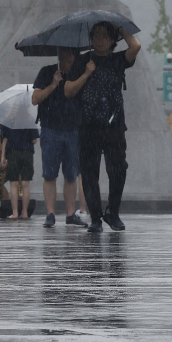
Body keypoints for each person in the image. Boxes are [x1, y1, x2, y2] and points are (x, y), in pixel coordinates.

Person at [66, 22, 140, 233]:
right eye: (96, 35)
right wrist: (86, 74)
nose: (100, 39)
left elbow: (136, 47)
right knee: (89, 173)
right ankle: (96, 218)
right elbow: (68, 91)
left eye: (106, 36)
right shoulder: (83, 60)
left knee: (118, 169)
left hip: (114, 125)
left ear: (112, 40)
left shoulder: (117, 60)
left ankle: (112, 212)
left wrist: (122, 29)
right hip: (88, 125)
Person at [32, 48, 88, 228]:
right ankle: (50, 213)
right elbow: (35, 99)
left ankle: (71, 213)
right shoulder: (47, 72)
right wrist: (53, 85)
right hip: (51, 129)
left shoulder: (79, 75)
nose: (68, 60)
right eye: (65, 56)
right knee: (49, 174)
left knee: (71, 174)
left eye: (72, 57)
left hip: (73, 130)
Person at [2, 124, 39, 219]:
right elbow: (34, 140)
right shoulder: (29, 120)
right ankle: (25, 212)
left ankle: (15, 213)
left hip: (12, 153)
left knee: (14, 183)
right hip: (27, 153)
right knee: (25, 184)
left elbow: (5, 139)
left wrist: (3, 156)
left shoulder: (8, 120)